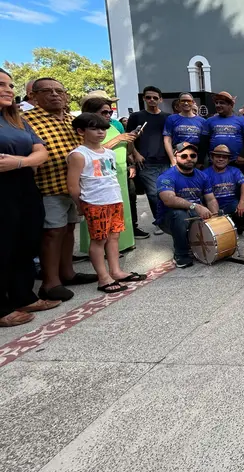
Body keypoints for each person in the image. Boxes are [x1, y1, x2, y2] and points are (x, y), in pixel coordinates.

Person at [23, 78, 91, 302]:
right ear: (33, 96)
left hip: (73, 187)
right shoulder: (26, 119)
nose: (55, 95)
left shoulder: (71, 120)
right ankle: (50, 283)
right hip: (47, 186)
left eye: (59, 91)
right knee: (52, 232)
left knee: (69, 229)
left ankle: (67, 272)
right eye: (48, 91)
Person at [0, 69, 58, 327]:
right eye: (1, 85)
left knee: (26, 242)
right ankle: (2, 308)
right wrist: (24, 162)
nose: (8, 90)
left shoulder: (16, 120)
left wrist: (19, 162)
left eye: (10, 85)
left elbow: (41, 152)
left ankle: (23, 295)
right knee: (2, 247)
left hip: (24, 186)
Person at [67, 113, 147, 294]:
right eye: (94, 129)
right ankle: (103, 278)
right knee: (99, 240)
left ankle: (116, 271)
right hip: (95, 203)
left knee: (114, 237)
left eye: (103, 128)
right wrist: (80, 206)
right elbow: (73, 185)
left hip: (114, 200)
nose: (100, 132)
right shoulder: (79, 155)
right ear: (81, 131)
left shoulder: (109, 153)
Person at [78, 97, 141, 254]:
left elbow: (125, 148)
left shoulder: (112, 126)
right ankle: (102, 249)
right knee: (100, 216)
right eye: (103, 112)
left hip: (117, 171)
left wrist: (130, 140)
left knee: (120, 212)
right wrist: (119, 138)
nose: (108, 115)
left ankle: (122, 244)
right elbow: (93, 150)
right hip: (97, 176)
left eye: (110, 111)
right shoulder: (86, 128)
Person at [156, 142, 219, 268]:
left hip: (193, 213)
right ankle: (181, 254)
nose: (189, 158)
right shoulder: (166, 177)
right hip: (169, 218)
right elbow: (168, 200)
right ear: (175, 157)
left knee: (218, 212)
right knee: (180, 215)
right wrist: (195, 206)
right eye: (184, 156)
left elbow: (211, 199)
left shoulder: (203, 176)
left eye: (192, 155)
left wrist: (215, 218)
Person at [126, 86, 170, 235]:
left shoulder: (166, 117)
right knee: (153, 193)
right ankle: (159, 221)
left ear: (160, 99)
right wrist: (135, 154)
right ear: (144, 98)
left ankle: (166, 219)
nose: (152, 100)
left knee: (166, 192)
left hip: (165, 161)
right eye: (148, 97)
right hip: (145, 162)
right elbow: (129, 139)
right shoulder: (136, 117)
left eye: (155, 97)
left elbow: (169, 139)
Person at [206, 144, 244, 232]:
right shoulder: (205, 174)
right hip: (213, 207)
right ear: (212, 158)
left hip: (232, 205)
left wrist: (242, 202)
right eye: (218, 156)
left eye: (224, 157)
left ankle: (238, 227)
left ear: (228, 160)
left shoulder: (235, 171)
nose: (221, 159)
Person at [206, 91, 244, 170]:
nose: (218, 105)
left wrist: (243, 155)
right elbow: (204, 142)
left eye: (222, 103)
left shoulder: (241, 120)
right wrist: (201, 161)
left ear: (231, 105)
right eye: (216, 103)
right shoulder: (209, 121)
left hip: (236, 162)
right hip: (215, 163)